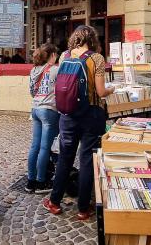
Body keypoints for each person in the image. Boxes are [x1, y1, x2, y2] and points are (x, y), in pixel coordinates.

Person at [43, 25, 115, 220]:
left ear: (75, 38)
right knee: (86, 161)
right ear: (92, 40)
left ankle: (54, 202)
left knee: (65, 159)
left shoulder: (64, 56)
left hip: (67, 115)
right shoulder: (96, 58)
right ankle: (84, 208)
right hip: (91, 115)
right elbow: (100, 92)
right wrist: (112, 90)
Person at [26, 44, 59, 194]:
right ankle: (41, 182)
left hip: (35, 109)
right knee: (45, 148)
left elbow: (32, 92)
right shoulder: (55, 70)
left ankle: (30, 181)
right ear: (52, 55)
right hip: (49, 110)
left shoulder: (33, 70)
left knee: (35, 146)